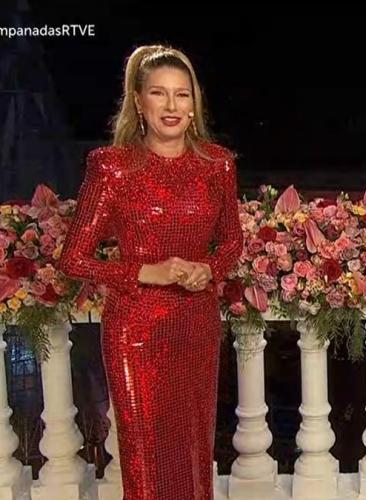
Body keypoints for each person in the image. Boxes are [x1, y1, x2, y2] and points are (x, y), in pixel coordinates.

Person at [59, 44, 243, 499]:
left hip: (196, 325)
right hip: (136, 329)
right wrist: (146, 272)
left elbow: (232, 242)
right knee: (145, 454)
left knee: (194, 450)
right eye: (159, 93)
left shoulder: (217, 164)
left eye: (182, 94)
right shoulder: (112, 168)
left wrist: (209, 268)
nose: (172, 105)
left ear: (194, 103)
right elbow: (73, 258)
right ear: (139, 102)